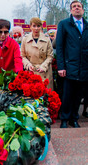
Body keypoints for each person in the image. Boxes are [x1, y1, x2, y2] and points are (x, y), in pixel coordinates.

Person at [56, 0, 87, 128]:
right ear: (71, 10)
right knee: (67, 94)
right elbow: (60, 46)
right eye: (74, 6)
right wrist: (61, 66)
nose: (76, 8)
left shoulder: (86, 25)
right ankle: (64, 119)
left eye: (79, 6)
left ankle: (74, 118)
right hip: (69, 67)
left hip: (84, 67)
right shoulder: (64, 24)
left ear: (83, 10)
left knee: (78, 95)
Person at [21, 17, 54, 89]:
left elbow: (50, 56)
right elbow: (23, 56)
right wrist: (28, 64)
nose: (36, 28)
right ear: (30, 27)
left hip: (44, 73)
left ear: (41, 27)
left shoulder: (47, 39)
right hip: (31, 72)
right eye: (34, 26)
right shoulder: (25, 40)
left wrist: (43, 66)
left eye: (38, 26)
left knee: (46, 97)